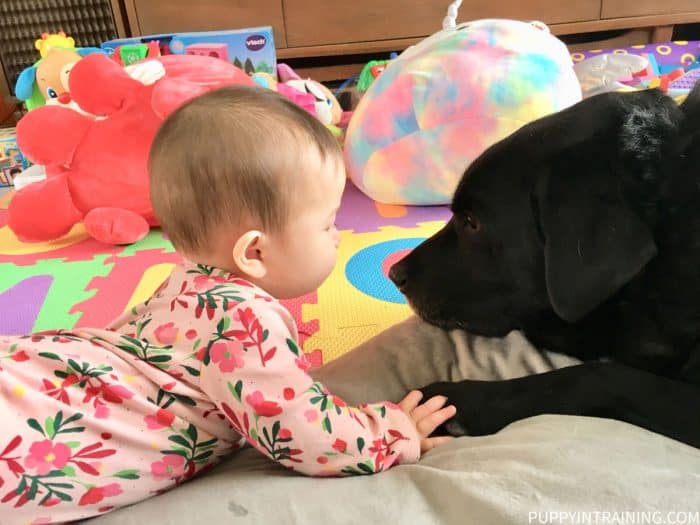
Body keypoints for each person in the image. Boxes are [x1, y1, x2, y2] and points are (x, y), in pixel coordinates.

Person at [0, 85, 455, 524]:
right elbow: (309, 435)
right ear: (254, 252)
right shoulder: (246, 323)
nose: (336, 235)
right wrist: (391, 432)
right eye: (327, 222)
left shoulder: (185, 284)